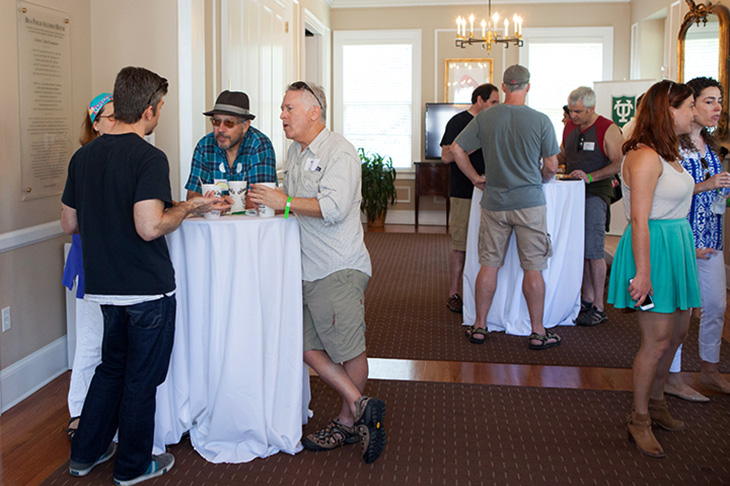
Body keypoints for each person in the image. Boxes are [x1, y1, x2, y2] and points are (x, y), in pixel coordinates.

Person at [61, 66, 227, 485]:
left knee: (110, 368)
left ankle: (86, 453)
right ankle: (133, 466)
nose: (160, 114)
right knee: (140, 378)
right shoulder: (148, 156)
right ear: (149, 109)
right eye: (162, 107)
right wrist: (188, 208)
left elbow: (69, 222)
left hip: (104, 288)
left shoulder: (84, 156)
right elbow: (150, 226)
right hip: (146, 290)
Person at [248, 81, 386, 464]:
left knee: (348, 348)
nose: (281, 115)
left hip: (337, 267)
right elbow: (290, 202)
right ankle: (361, 405)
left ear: (314, 112)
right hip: (305, 268)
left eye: (288, 108)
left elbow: (334, 208)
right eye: (282, 108)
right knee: (307, 346)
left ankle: (345, 421)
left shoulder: (339, 151)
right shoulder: (296, 151)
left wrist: (286, 201)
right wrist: (266, 200)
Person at [607, 80, 699, 458]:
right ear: (668, 109)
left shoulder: (670, 153)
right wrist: (642, 274)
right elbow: (640, 220)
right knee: (657, 341)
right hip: (654, 249)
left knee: (677, 334)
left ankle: (658, 403)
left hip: (676, 245)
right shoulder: (644, 155)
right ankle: (639, 417)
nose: (694, 113)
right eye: (690, 106)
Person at [451, 65, 560, 349]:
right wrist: (542, 180)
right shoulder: (541, 120)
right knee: (534, 269)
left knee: (488, 266)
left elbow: (456, 149)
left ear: (504, 85)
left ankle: (479, 326)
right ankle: (537, 331)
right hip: (530, 203)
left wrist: (475, 178)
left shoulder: (487, 117)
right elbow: (551, 166)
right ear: (528, 86)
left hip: (495, 202)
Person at [664, 76, 730, 402]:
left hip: (712, 237)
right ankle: (671, 377)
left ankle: (710, 367)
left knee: (716, 305)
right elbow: (667, 195)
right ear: (691, 106)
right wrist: (706, 185)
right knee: (681, 313)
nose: (717, 107)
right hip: (683, 239)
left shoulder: (714, 145)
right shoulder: (672, 145)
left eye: (719, 100)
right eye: (708, 101)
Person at [62, 93, 115, 440]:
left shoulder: (128, 157)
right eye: (109, 117)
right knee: (91, 341)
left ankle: (107, 412)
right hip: (92, 263)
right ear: (95, 123)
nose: (115, 121)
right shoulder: (83, 159)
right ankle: (80, 412)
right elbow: (69, 223)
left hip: (117, 265)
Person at [560, 86, 624, 326]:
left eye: (578, 112)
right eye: (571, 111)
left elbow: (619, 163)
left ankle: (599, 304)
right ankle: (586, 298)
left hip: (596, 192)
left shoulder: (608, 129)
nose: (573, 116)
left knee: (594, 250)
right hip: (571, 192)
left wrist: (590, 177)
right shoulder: (569, 127)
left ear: (591, 108)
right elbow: (564, 156)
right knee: (578, 248)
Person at [439, 83, 500, 314]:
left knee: (490, 245)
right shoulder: (458, 122)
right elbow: (446, 156)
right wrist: (468, 147)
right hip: (464, 191)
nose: (497, 106)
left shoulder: (495, 121)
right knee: (460, 244)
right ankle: (454, 293)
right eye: (493, 102)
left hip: (492, 191)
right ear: (479, 101)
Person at [184, 90, 276, 199]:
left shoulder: (260, 145)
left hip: (250, 216)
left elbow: (261, 199)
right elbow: (192, 195)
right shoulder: (204, 146)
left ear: (245, 126)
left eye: (229, 123)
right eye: (216, 122)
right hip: (214, 215)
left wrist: (225, 205)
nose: (221, 129)